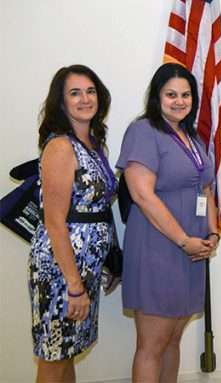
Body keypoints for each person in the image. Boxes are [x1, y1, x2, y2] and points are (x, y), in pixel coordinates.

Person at [117, 63, 220, 381]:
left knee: (174, 339)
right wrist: (183, 239)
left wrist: (213, 233)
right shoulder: (144, 131)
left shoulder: (190, 136)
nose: (179, 101)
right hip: (157, 247)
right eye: (171, 94)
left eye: (186, 95)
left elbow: (205, 188)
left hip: (192, 251)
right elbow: (142, 194)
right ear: (156, 96)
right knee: (152, 344)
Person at [29, 64, 117, 382]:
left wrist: (110, 260)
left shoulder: (92, 145)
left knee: (68, 351)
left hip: (85, 269)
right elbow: (54, 222)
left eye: (90, 91)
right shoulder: (61, 147)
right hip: (61, 271)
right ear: (61, 102)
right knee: (54, 356)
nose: (84, 99)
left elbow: (98, 211)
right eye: (75, 93)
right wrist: (74, 286)